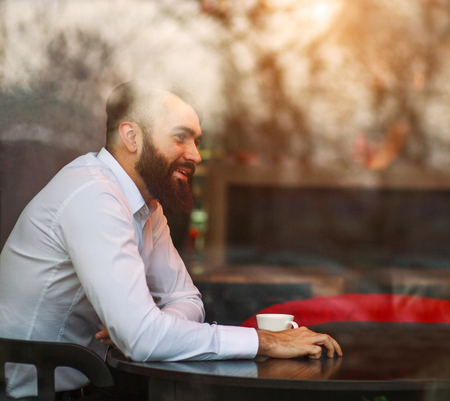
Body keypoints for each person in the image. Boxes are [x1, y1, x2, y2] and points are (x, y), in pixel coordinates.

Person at [0, 81, 342, 399]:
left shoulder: (146, 206)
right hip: (31, 394)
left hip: (87, 386)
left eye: (197, 141)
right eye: (181, 137)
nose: (195, 155)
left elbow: (187, 299)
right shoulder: (94, 197)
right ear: (132, 137)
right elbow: (143, 340)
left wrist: (150, 328)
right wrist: (264, 342)